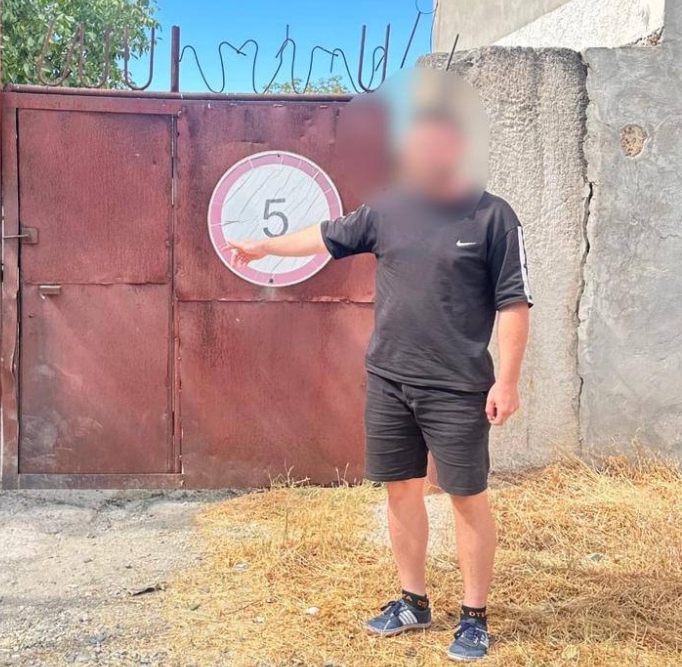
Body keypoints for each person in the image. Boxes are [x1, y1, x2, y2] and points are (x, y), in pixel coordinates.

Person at [223, 105, 532, 662]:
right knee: (400, 490)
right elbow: (325, 236)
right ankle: (413, 601)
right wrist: (265, 247)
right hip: (390, 381)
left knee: (466, 498)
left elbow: (514, 303)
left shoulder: (493, 217)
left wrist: (506, 381)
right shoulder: (388, 210)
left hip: (458, 388)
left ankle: (474, 617)